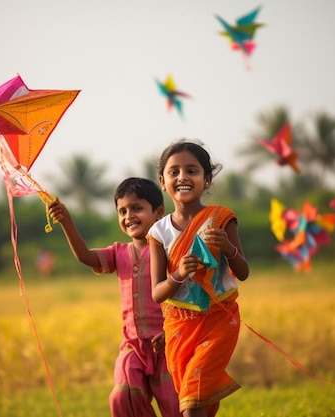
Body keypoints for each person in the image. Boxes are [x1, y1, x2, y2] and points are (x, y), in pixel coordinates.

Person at [48, 177, 182, 417]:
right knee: (123, 396)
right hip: (133, 346)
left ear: (159, 212)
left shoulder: (171, 251)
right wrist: (66, 222)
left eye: (136, 208)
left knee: (176, 406)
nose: (128, 216)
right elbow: (85, 256)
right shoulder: (118, 252)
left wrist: (172, 331)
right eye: (122, 211)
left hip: (169, 344)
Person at [146, 139, 249, 417]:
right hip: (179, 327)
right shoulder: (158, 232)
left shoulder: (221, 218)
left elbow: (243, 272)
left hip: (219, 320)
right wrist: (179, 274)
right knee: (196, 403)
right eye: (174, 171)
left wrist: (228, 247)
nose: (182, 177)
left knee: (193, 398)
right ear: (162, 180)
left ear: (207, 179)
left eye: (192, 171)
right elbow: (157, 293)